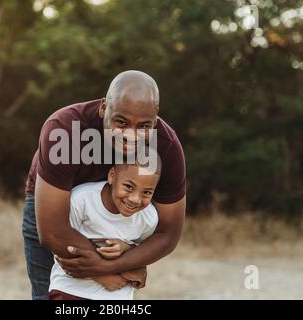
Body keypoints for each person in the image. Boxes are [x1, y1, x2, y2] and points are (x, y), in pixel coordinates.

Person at [22, 70, 186, 300]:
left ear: (155, 120)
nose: (131, 135)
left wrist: (108, 267)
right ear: (103, 108)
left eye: (144, 126)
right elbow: (52, 231)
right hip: (57, 208)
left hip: (116, 218)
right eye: (121, 122)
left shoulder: (166, 146)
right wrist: (123, 269)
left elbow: (169, 233)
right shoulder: (65, 128)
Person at [49, 158, 161, 300]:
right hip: (70, 291)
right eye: (129, 187)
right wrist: (101, 275)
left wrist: (127, 248)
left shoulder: (148, 218)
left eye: (146, 193)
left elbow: (141, 256)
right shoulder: (82, 199)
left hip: (117, 297)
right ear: (112, 176)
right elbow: (61, 246)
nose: (135, 199)